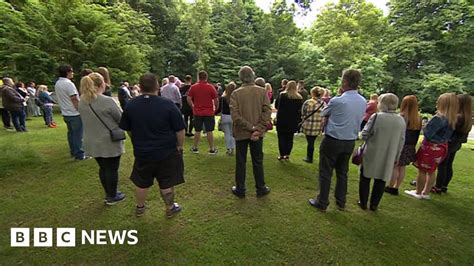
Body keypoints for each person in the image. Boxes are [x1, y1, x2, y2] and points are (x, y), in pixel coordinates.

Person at [120, 73, 185, 218]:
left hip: (143, 152)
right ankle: (169, 208)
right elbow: (180, 129)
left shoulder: (131, 105)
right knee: (166, 181)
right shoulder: (168, 104)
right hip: (166, 151)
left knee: (142, 182)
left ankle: (140, 208)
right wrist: (180, 146)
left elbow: (128, 128)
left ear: (140, 86)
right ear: (157, 86)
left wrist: (135, 139)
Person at [308, 69, 366, 212]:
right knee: (342, 172)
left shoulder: (338, 100)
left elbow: (324, 113)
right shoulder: (363, 101)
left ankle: (322, 201)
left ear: (345, 82)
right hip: (350, 141)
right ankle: (341, 201)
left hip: (333, 140)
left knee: (326, 171)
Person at [79, 73, 126, 205]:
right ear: (101, 84)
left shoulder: (82, 100)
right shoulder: (106, 101)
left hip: (91, 140)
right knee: (111, 168)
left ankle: (108, 193)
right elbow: (121, 119)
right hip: (107, 140)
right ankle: (112, 196)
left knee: (103, 168)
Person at [405, 93, 458, 200]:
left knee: (422, 170)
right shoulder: (452, 119)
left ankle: (418, 192)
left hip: (431, 147)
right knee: (432, 170)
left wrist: (425, 126)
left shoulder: (438, 118)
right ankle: (426, 192)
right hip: (442, 147)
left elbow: (428, 133)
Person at [230, 66, 272, 198]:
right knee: (257, 160)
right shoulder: (261, 92)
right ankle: (261, 188)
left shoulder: (236, 93)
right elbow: (267, 111)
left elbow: (235, 116)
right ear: (253, 76)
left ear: (240, 77)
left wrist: (253, 128)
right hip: (256, 133)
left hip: (243, 132)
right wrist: (256, 129)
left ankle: (240, 189)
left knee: (241, 161)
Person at [358, 93, 406, 211]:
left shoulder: (376, 117)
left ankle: (363, 202)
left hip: (373, 151)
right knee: (381, 179)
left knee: (365, 177)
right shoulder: (401, 120)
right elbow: (402, 140)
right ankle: (374, 204)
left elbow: (364, 134)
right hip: (390, 153)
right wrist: (397, 155)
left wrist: (362, 135)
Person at [434, 94, 472, 193]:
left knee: (442, 165)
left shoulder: (457, 117)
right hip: (456, 144)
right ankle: (444, 185)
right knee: (448, 165)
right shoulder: (467, 117)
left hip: (449, 143)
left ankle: (437, 186)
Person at [385, 95, 421, 195]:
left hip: (400, 144)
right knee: (402, 167)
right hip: (410, 146)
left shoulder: (401, 116)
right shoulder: (418, 118)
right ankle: (396, 187)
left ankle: (391, 186)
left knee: (395, 166)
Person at [55, 64, 87, 160]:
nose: (73, 73)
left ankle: (73, 151)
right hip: (74, 113)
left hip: (66, 112)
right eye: (71, 71)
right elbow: (74, 98)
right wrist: (80, 109)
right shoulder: (69, 84)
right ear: (68, 72)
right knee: (78, 135)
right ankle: (79, 154)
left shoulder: (58, 83)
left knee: (71, 134)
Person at [187, 70, 219, 155]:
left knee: (197, 130)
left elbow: (188, 98)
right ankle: (212, 148)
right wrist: (215, 108)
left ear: (198, 77)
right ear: (206, 77)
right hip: (209, 112)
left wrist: (192, 106)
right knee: (209, 130)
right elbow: (216, 100)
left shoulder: (193, 87)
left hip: (197, 112)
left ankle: (195, 147)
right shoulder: (210, 87)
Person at [275, 80, 303, 161]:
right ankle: (287, 154)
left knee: (281, 137)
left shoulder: (282, 95)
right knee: (290, 138)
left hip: (282, 119)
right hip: (293, 120)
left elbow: (277, 106)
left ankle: (282, 154)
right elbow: (299, 110)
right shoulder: (299, 97)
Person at [301, 87, 325, 163]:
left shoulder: (308, 102)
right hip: (318, 126)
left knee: (310, 142)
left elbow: (303, 112)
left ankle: (309, 157)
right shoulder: (323, 103)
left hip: (308, 125)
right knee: (312, 141)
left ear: (312, 93)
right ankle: (309, 157)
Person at [220, 82, 237, 156]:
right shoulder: (236, 98)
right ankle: (233, 149)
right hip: (233, 116)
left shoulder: (223, 98)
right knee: (232, 133)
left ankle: (228, 149)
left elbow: (221, 108)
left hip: (225, 116)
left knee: (227, 133)